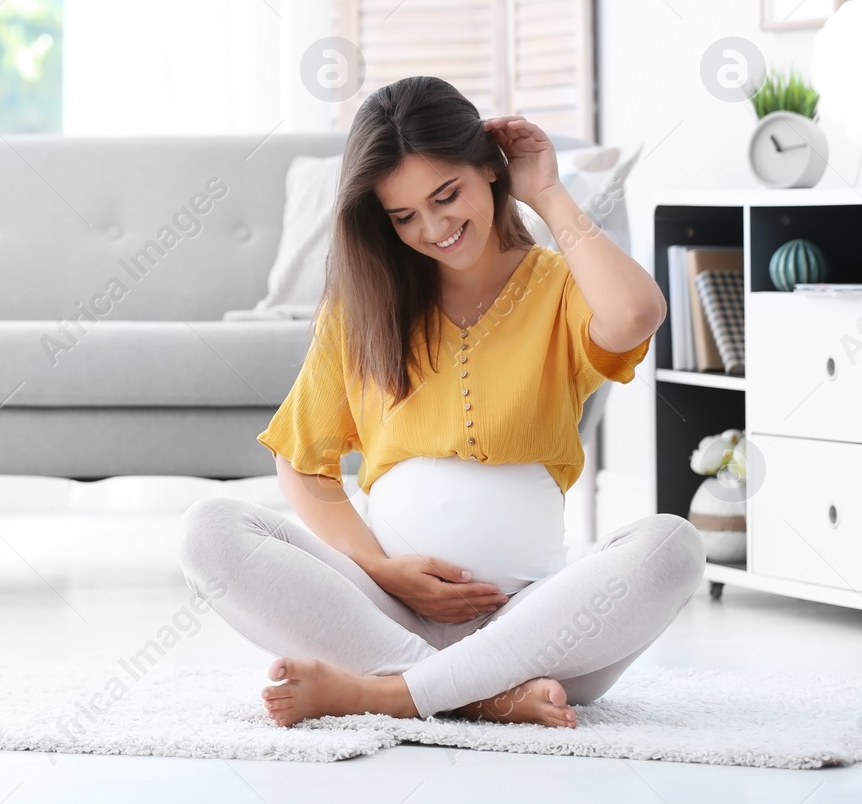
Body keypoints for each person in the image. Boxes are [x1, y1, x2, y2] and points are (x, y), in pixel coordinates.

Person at [177, 76, 704, 728]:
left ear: (489, 169)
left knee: (673, 545)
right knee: (208, 529)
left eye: (446, 195)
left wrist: (545, 189)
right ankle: (483, 696)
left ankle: (386, 693)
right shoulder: (363, 307)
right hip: (385, 613)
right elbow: (302, 462)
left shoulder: (558, 288)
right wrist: (383, 568)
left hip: (534, 627)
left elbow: (635, 313)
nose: (433, 227)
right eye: (403, 216)